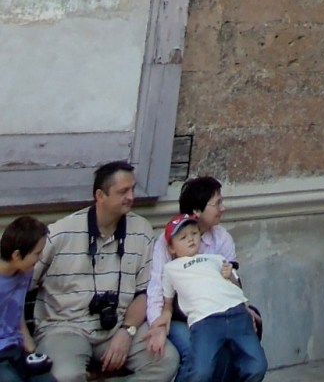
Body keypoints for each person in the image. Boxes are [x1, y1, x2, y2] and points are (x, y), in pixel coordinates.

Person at [31, 163, 178, 382]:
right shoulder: (61, 232)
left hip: (118, 325)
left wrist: (127, 331)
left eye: (132, 189)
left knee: (165, 360)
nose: (131, 197)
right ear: (100, 196)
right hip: (65, 327)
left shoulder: (142, 230)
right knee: (65, 376)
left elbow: (144, 293)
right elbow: (18, 281)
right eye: (123, 191)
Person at [146, 179, 244, 382]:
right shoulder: (168, 241)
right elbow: (156, 288)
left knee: (230, 349)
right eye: (217, 203)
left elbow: (232, 281)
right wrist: (158, 327)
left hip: (215, 313)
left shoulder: (221, 238)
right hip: (180, 316)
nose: (222, 208)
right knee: (195, 350)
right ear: (197, 211)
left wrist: (244, 308)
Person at [146, 219, 264, 382]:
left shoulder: (216, 258)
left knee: (257, 366)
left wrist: (230, 276)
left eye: (194, 233)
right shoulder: (170, 269)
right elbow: (167, 302)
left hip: (236, 313)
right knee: (201, 372)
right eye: (183, 237)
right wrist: (162, 321)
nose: (191, 239)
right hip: (205, 321)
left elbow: (237, 287)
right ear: (171, 248)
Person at [0, 217, 51, 382]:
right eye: (37, 253)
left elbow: (16, 306)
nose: (40, 257)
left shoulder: (25, 272)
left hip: (16, 347)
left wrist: (27, 338)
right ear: (16, 255)